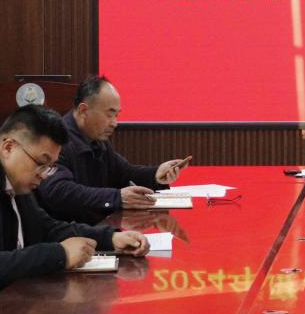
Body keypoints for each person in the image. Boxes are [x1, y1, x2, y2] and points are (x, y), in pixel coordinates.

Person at [0, 104, 150, 304]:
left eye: (51, 166)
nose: (44, 175)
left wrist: (110, 238)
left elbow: (43, 227)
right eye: (41, 163)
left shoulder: (11, 171)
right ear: (9, 147)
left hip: (6, 300)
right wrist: (60, 254)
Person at [36, 76, 191, 223]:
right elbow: (57, 191)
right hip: (68, 233)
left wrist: (155, 175)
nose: (114, 123)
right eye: (109, 115)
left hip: (96, 227)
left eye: (116, 115)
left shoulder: (96, 140)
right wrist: (116, 198)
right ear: (83, 111)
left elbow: (125, 173)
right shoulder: (57, 139)